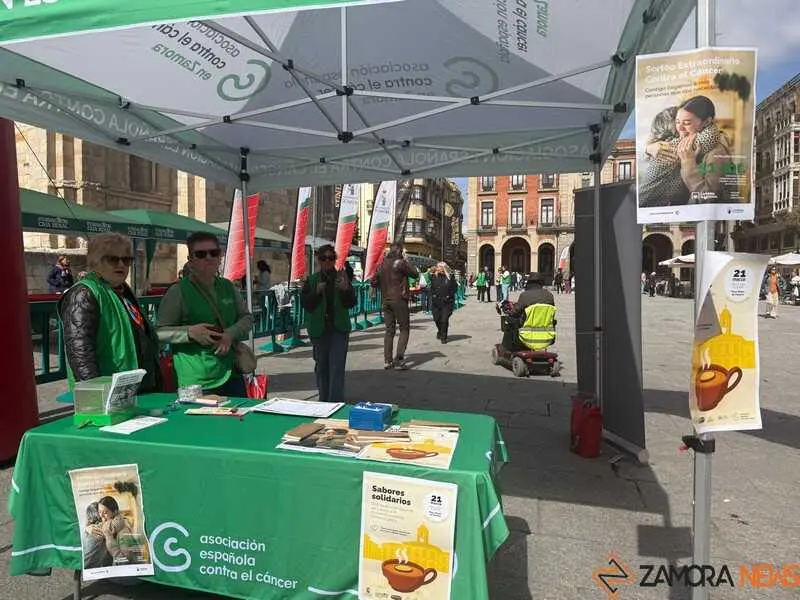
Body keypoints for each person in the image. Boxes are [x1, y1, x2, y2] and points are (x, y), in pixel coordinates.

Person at [58, 233, 161, 392]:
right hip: (111, 394)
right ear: (95, 261)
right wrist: (96, 397)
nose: (121, 264)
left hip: (139, 387)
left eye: (126, 260)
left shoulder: (123, 291)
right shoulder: (84, 293)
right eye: (113, 259)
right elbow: (80, 352)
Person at [156, 232, 253, 397]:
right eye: (201, 254)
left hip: (231, 372)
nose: (209, 258)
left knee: (238, 421)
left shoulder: (228, 287)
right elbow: (159, 332)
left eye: (214, 253)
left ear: (220, 256)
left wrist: (230, 334)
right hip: (197, 379)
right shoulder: (178, 291)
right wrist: (189, 333)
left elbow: (247, 318)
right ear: (191, 260)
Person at [301, 245, 357, 403]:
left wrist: (346, 290)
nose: (327, 261)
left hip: (339, 329)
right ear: (318, 260)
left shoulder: (342, 277)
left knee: (337, 367)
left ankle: (336, 402)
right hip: (319, 330)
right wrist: (316, 293)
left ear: (335, 259)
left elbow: (351, 303)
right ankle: (324, 400)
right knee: (321, 367)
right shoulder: (312, 280)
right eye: (324, 258)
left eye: (331, 258)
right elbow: (307, 304)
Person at [375, 243, 419, 370]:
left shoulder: (381, 264)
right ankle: (399, 360)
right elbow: (415, 274)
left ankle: (387, 361)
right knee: (404, 329)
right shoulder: (400, 262)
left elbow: (374, 281)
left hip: (386, 300)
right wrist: (406, 259)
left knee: (389, 330)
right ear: (399, 251)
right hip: (399, 299)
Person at [501, 273, 556, 352]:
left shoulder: (525, 295)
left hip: (527, 334)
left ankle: (506, 350)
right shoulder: (549, 296)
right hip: (547, 335)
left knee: (510, 322)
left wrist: (507, 310)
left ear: (529, 283)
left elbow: (515, 312)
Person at [430, 262, 457, 344]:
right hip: (436, 302)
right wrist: (433, 295)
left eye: (438, 267)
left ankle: (443, 337)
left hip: (447, 302)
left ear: (443, 268)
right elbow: (432, 288)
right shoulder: (434, 276)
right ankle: (440, 330)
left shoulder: (450, 277)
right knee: (436, 319)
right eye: (437, 266)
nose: (437, 268)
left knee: (444, 320)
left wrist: (449, 295)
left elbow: (454, 288)